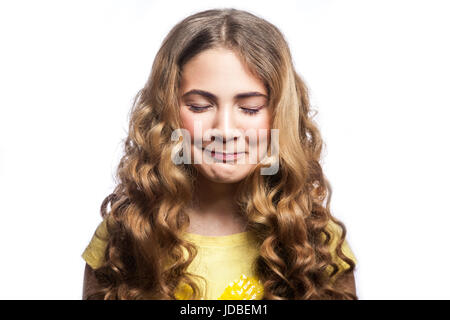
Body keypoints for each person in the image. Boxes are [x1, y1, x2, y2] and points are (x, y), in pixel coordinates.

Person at [81, 7, 358, 300]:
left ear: (280, 115)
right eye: (200, 106)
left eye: (250, 108)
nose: (225, 131)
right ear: (167, 114)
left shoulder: (317, 240)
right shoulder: (125, 234)